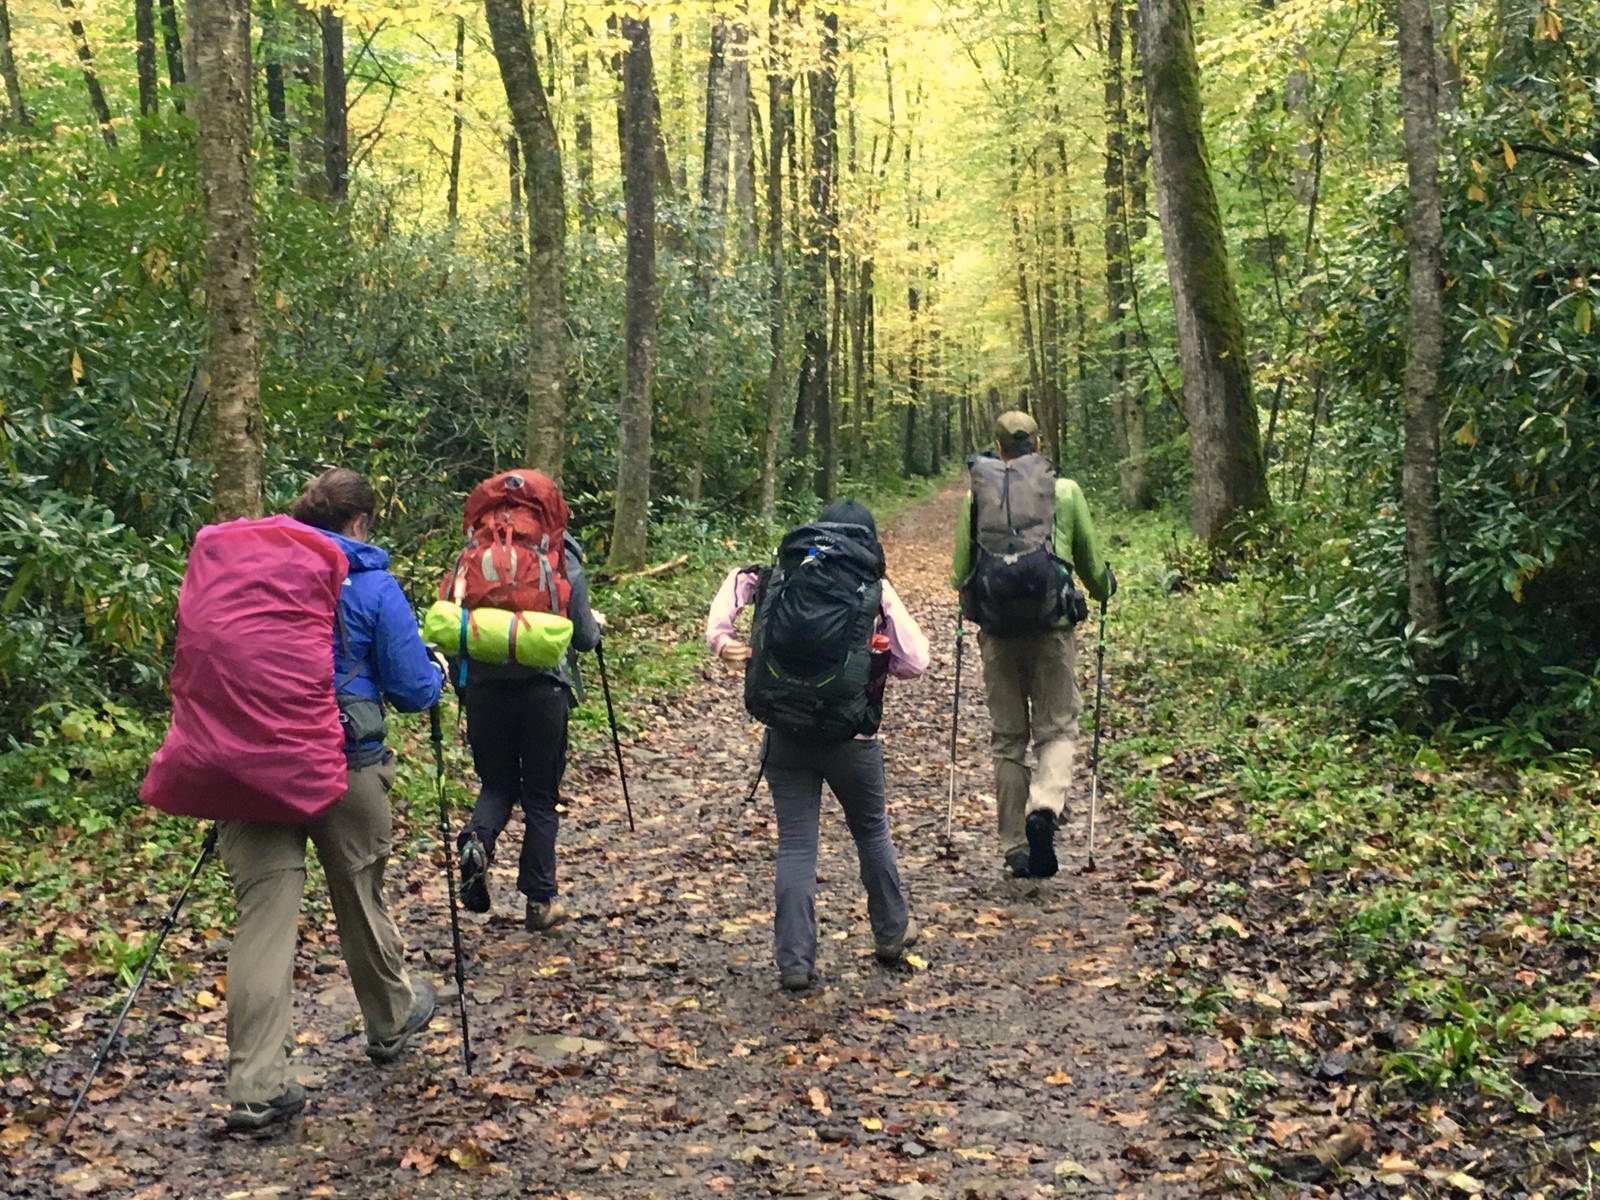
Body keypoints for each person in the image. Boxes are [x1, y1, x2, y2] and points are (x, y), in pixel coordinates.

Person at [218, 468, 443, 1132]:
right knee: (359, 892)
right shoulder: (371, 585)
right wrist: (433, 672)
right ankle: (390, 1018)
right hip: (344, 768)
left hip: (249, 770)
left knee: (263, 921)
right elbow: (410, 691)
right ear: (361, 523)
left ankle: (257, 1086)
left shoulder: (252, 577)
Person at [707, 500, 930, 992]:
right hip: (852, 736)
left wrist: (724, 642)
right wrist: (868, 667)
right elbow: (916, 660)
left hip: (784, 732)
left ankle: (794, 962)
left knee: (796, 845)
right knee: (871, 832)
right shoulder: (874, 588)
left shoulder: (781, 572)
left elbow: (730, 597)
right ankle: (892, 934)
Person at [950, 411, 1114, 880]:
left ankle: (1015, 847)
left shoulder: (976, 496)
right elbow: (1092, 566)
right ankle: (1043, 807)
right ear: (1038, 443)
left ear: (997, 449)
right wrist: (1104, 589)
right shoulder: (1064, 491)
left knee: (1008, 739)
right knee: (1058, 728)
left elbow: (959, 574)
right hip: (1052, 628)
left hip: (998, 632)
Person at [449, 475, 602, 934]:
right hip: (543, 690)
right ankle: (540, 903)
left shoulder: (471, 556)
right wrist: (595, 626)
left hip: (482, 688)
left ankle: (477, 841)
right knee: (539, 796)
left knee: (496, 783)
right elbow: (586, 636)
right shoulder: (560, 557)